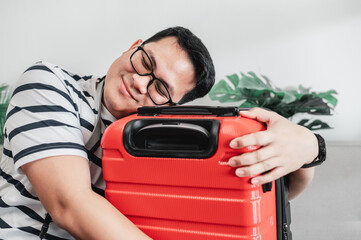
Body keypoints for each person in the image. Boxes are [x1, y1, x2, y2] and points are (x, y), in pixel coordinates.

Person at [0, 26, 320, 239]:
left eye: (160, 88)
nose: (140, 82)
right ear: (133, 47)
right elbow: (70, 204)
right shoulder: (50, 84)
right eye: (145, 61)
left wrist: (308, 148)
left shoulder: (166, 138)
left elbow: (255, 196)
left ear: (175, 105)